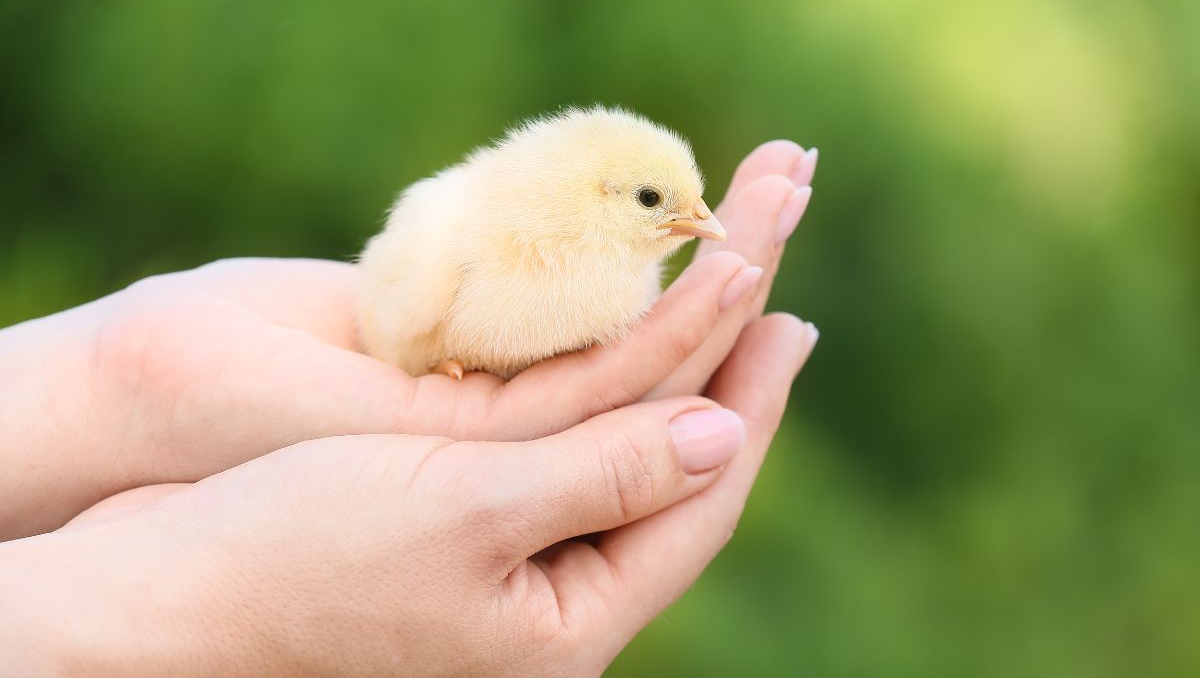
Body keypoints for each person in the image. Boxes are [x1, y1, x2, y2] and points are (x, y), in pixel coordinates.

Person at [0, 141, 817, 675]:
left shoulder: (610, 271)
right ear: (597, 195)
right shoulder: (456, 235)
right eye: (653, 200)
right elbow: (395, 310)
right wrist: (220, 615)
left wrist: (115, 379)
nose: (696, 220)